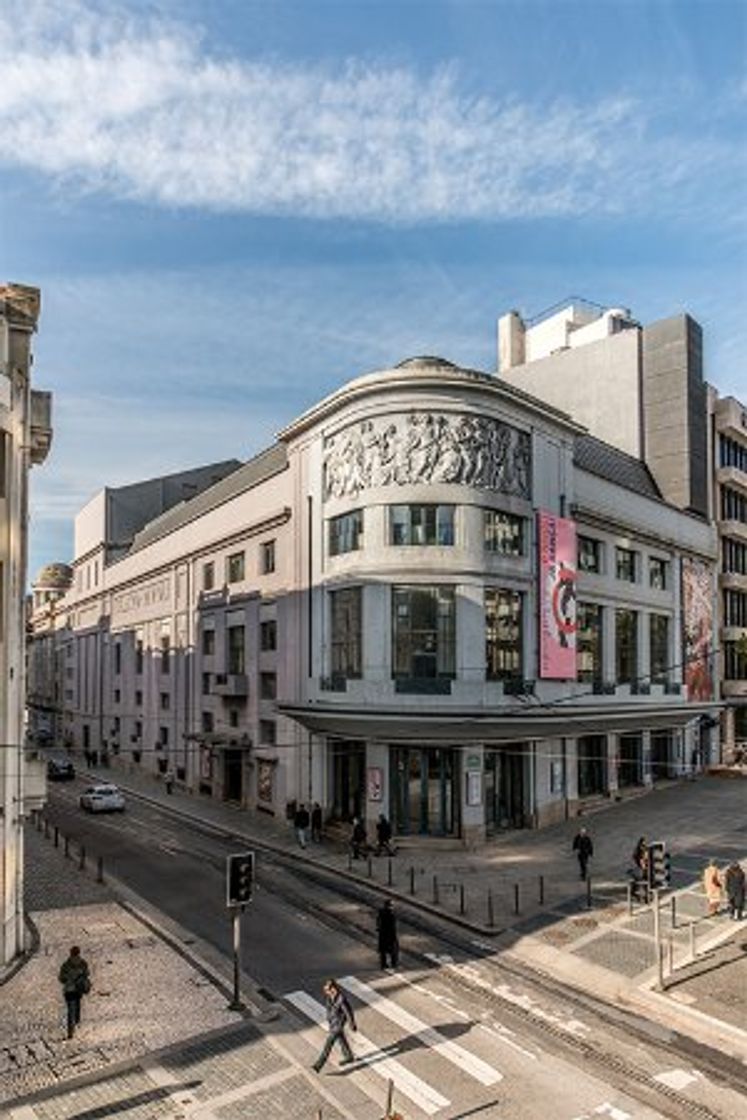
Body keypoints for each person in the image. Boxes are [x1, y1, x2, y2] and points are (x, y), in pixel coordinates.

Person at [312, 979, 357, 1073]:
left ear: (333, 989)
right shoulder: (329, 997)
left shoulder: (341, 999)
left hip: (338, 1024)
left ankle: (318, 1065)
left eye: (328, 990)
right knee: (341, 1039)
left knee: (328, 1045)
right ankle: (349, 1056)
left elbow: (348, 1012)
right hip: (333, 1023)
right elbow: (329, 1009)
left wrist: (352, 1024)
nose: (326, 992)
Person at [58, 945, 91, 1039]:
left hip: (68, 990)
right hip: (78, 989)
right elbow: (87, 973)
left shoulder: (66, 964)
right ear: (79, 953)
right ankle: (76, 1021)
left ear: (71, 953)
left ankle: (70, 1031)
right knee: (77, 1006)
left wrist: (67, 980)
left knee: (69, 1010)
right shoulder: (83, 963)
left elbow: (61, 978)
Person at [377, 899, 399, 969]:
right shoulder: (392, 915)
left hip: (382, 934)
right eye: (392, 905)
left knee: (383, 950)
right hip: (390, 935)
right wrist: (394, 936)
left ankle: (383, 964)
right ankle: (394, 964)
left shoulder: (381, 911)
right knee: (394, 950)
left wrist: (378, 928)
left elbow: (378, 921)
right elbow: (393, 927)